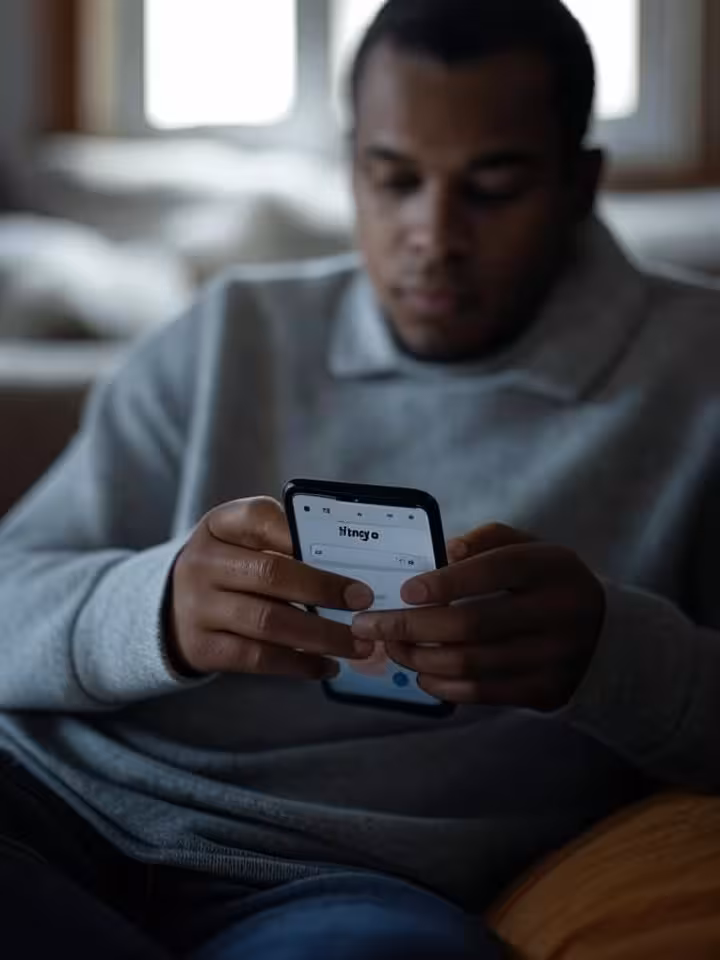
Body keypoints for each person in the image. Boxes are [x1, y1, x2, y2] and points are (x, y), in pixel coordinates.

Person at [0, 0, 718, 956]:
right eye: (394, 179)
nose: (434, 234)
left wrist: (611, 656)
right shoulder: (229, 332)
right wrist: (156, 607)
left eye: (493, 187)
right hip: (47, 801)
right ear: (350, 168)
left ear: (580, 182)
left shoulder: (699, 381)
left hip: (338, 889)